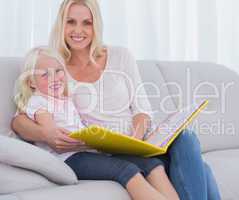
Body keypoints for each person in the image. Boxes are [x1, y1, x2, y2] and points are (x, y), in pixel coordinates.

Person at [11, 0, 221, 199]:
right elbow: (20, 119)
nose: (78, 30)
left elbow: (142, 109)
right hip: (108, 151)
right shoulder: (55, 66)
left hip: (141, 143)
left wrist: (137, 140)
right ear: (61, 25)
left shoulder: (121, 56)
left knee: (187, 138)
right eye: (71, 22)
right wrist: (44, 133)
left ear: (96, 26)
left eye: (87, 23)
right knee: (203, 171)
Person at [14, 46, 179, 200]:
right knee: (126, 170)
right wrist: (63, 137)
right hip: (68, 158)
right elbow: (50, 130)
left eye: (58, 71)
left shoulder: (65, 99)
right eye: (45, 74)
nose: (55, 78)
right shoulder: (39, 101)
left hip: (87, 151)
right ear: (31, 83)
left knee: (152, 165)